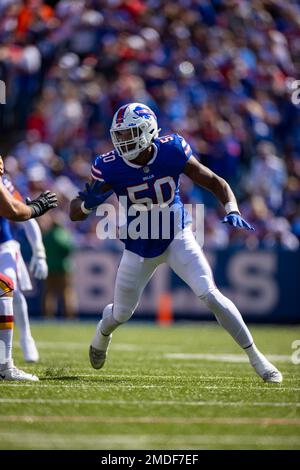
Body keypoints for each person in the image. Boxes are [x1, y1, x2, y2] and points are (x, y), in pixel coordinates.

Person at [70, 103, 282, 383]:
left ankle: (258, 359)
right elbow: (74, 211)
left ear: (148, 131)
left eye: (130, 133)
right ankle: (102, 333)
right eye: (119, 135)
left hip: (176, 236)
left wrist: (232, 208)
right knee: (121, 313)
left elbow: (215, 181)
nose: (123, 141)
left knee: (210, 294)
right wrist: (86, 204)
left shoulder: (172, 150)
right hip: (139, 246)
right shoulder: (110, 166)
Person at [0, 156, 57, 381]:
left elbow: (19, 212)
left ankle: (25, 340)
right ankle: (4, 366)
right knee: (5, 288)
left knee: (8, 290)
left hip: (4, 245)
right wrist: (35, 207)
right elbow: (16, 210)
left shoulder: (6, 183)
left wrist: (39, 252)